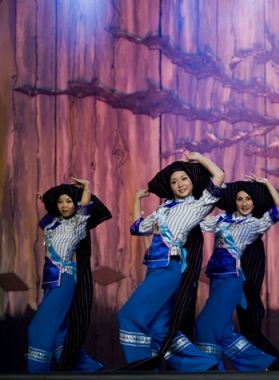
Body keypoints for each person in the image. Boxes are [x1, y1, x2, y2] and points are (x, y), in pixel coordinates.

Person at [118, 152, 224, 371]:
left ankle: (139, 365)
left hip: (169, 268)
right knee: (159, 329)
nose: (180, 184)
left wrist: (198, 157)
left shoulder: (198, 205)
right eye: (174, 181)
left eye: (184, 179)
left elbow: (219, 175)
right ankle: (204, 364)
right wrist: (136, 199)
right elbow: (137, 228)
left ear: (192, 181)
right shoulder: (162, 209)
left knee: (129, 314)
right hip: (154, 269)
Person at [194, 176, 279, 371]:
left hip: (232, 279)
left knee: (205, 324)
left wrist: (267, 184)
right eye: (240, 199)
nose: (244, 203)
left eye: (249, 199)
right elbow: (197, 222)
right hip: (216, 278)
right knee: (221, 330)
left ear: (254, 202)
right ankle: (270, 364)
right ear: (234, 201)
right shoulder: (221, 219)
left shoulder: (255, 224)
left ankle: (210, 367)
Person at [27, 178, 111, 373]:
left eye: (69, 201)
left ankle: (38, 374)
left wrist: (87, 187)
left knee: (38, 328)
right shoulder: (53, 222)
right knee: (58, 334)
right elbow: (46, 219)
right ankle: (88, 368)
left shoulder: (78, 224)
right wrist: (46, 200)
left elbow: (84, 208)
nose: (64, 205)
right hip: (50, 281)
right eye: (60, 201)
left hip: (63, 279)